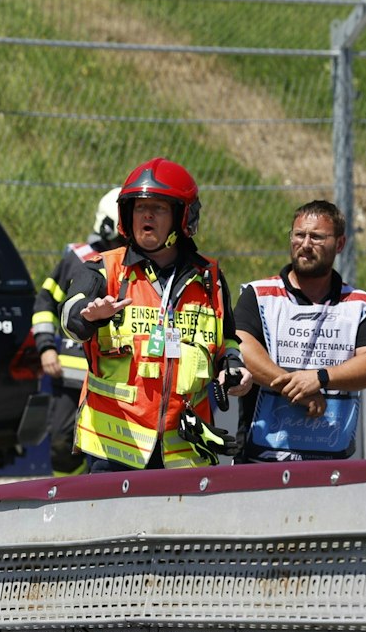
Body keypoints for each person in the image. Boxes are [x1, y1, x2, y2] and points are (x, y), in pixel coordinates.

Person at [61, 158, 249, 472]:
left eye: (158, 208)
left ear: (182, 217)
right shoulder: (104, 269)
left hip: (186, 450)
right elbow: (69, 316)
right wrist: (89, 316)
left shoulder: (209, 277)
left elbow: (227, 337)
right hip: (115, 450)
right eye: (139, 207)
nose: (146, 215)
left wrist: (233, 365)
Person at [233, 201, 366, 462]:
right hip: (259, 459)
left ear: (339, 244)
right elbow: (240, 349)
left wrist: (320, 378)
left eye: (316, 237)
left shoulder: (359, 303)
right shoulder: (258, 295)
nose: (305, 244)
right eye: (299, 235)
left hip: (331, 461)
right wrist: (295, 387)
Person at [31, 188, 125, 477]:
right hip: (70, 376)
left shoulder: (136, 265)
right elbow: (45, 299)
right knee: (62, 446)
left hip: (114, 381)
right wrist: (46, 346)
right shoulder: (78, 257)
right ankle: (65, 502)